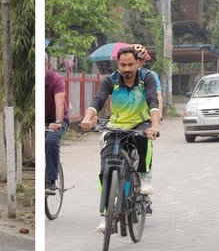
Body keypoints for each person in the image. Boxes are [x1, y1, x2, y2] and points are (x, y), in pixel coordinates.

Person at [79, 46, 160, 212]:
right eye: (123, 65)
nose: (127, 69)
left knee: (144, 139)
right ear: (118, 64)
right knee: (105, 168)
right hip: (116, 126)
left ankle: (144, 176)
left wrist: (154, 126)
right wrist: (87, 118)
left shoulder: (147, 78)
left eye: (130, 64)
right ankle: (106, 213)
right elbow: (98, 100)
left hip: (139, 124)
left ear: (137, 63)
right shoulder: (111, 81)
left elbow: (153, 101)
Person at [44, 65, 68, 194]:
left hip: (57, 119)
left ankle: (51, 181)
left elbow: (60, 104)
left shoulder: (56, 80)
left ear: (46, 65)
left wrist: (58, 122)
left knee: (51, 141)